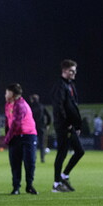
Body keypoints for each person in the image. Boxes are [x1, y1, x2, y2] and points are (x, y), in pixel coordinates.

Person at [52, 59, 84, 193]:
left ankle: (63, 176)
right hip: (64, 126)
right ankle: (56, 184)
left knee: (79, 151)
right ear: (64, 71)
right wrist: (67, 123)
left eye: (75, 70)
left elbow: (73, 107)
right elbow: (59, 107)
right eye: (72, 70)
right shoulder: (60, 86)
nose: (74, 73)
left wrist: (77, 125)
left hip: (70, 126)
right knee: (62, 154)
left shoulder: (70, 85)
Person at [4, 83, 38, 195]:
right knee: (15, 163)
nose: (5, 94)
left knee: (29, 162)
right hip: (15, 136)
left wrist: (7, 139)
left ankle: (29, 185)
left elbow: (16, 124)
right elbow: (8, 122)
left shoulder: (20, 105)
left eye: (7, 92)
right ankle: (16, 187)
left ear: (12, 94)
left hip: (28, 136)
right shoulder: (8, 104)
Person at [29, 93, 50, 163]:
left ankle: (33, 157)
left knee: (33, 143)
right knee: (41, 144)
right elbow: (49, 116)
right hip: (42, 128)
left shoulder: (30, 108)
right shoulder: (42, 106)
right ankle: (42, 158)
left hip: (33, 128)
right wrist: (47, 124)